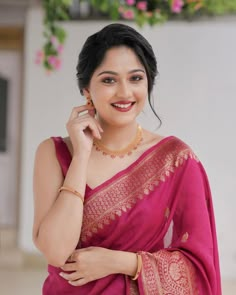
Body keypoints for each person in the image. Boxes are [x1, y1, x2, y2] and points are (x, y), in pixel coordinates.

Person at [33, 23, 221, 295]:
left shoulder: (175, 160)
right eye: (109, 80)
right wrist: (82, 154)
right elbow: (56, 252)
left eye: (135, 78)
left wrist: (119, 262)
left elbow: (198, 268)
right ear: (86, 90)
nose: (124, 93)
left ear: (148, 83)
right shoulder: (53, 153)